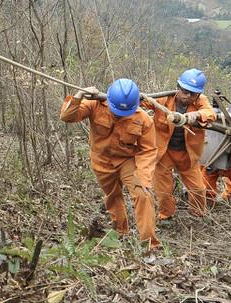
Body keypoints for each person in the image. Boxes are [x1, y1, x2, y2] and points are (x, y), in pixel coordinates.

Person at [59, 79, 160, 249]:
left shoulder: (142, 119)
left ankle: (150, 245)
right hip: (101, 160)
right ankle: (121, 233)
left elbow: (148, 150)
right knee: (113, 197)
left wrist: (143, 177)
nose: (120, 115)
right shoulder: (94, 104)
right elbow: (67, 117)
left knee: (143, 195)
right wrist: (79, 96)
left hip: (127, 162)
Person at [143, 68, 216, 220]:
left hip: (187, 154)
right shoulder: (164, 99)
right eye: (185, 91)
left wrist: (194, 115)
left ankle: (197, 214)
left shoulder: (200, 101)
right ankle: (166, 214)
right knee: (162, 189)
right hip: (164, 153)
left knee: (197, 188)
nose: (187, 96)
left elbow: (210, 113)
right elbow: (143, 101)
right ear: (178, 87)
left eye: (193, 94)